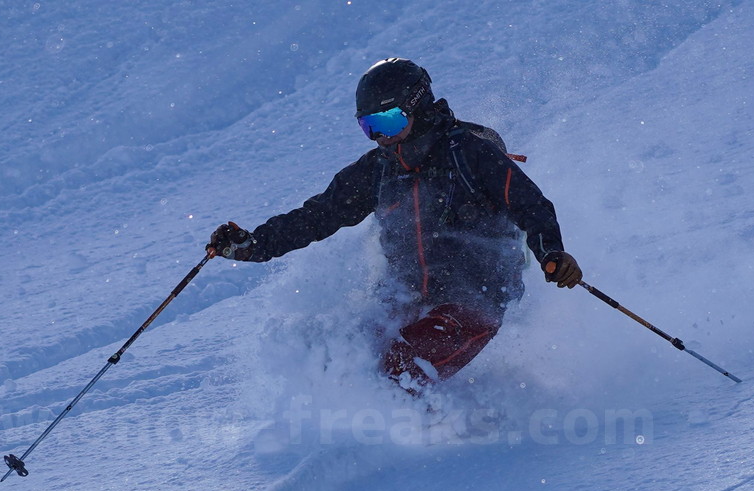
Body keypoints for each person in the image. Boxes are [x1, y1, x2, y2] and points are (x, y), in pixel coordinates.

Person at [208, 58, 583, 392]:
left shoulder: (470, 155)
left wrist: (551, 251)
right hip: (405, 294)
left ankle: (420, 453)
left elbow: (529, 205)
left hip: (474, 299)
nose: (380, 136)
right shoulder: (378, 170)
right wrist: (255, 245)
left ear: (416, 108)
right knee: (342, 357)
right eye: (368, 126)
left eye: (389, 121)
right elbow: (317, 215)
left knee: (398, 369)